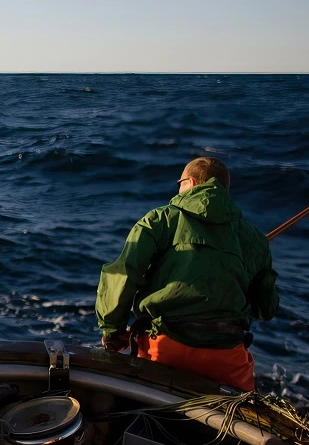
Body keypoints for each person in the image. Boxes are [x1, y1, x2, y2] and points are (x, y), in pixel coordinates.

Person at [95, 157, 278, 390]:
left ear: (189, 182)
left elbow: (124, 274)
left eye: (179, 183)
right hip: (227, 355)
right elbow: (266, 308)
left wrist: (112, 331)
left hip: (164, 347)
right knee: (242, 419)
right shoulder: (254, 239)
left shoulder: (160, 219)